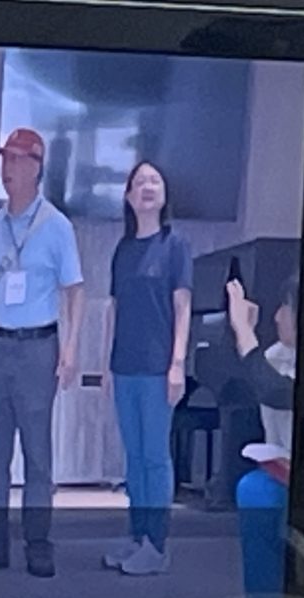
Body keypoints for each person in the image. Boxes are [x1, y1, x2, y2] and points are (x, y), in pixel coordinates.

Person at [0, 127, 84, 578]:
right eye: (3, 159)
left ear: (36, 167)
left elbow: (75, 291)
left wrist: (70, 347)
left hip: (38, 349)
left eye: (14, 160)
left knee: (36, 452)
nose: (6, 168)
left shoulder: (57, 226)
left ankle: (38, 542)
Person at [100, 161, 192, 575]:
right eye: (139, 182)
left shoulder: (175, 245)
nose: (148, 187)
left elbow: (182, 308)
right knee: (134, 459)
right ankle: (137, 537)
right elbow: (114, 309)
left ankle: (157, 545)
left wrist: (177, 364)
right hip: (125, 367)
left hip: (158, 369)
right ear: (128, 197)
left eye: (155, 180)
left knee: (155, 457)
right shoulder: (123, 250)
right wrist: (106, 364)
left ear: (164, 193)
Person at [227, 276, 299, 598]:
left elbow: (280, 393)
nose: (278, 316)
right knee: (254, 489)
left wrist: (244, 332)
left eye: (286, 307)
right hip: (288, 472)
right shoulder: (277, 356)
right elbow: (259, 384)